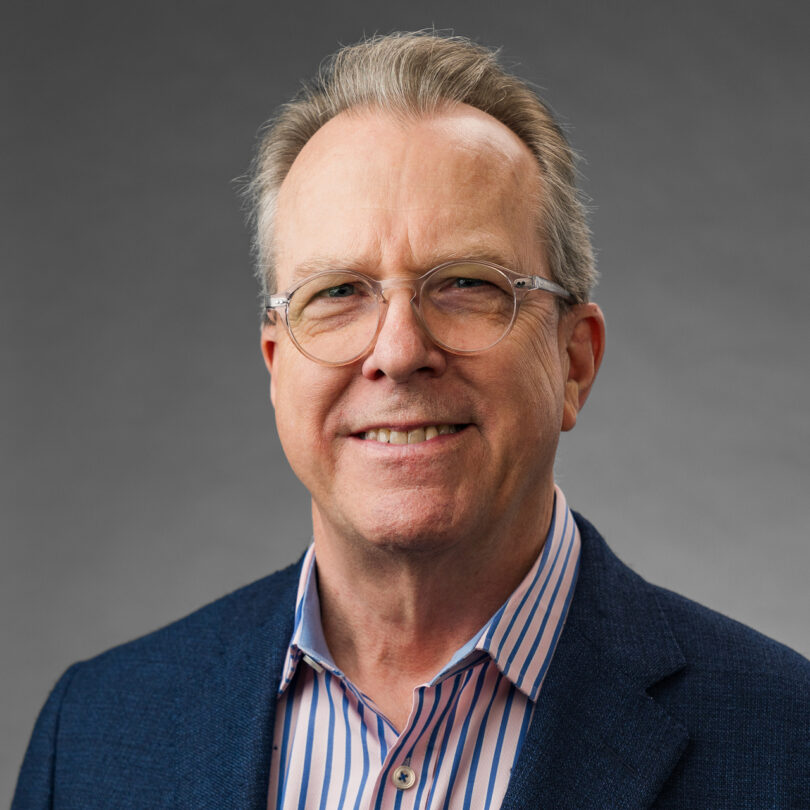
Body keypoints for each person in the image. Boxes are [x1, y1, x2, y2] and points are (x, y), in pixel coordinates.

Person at [13, 32, 810, 810]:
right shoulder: (93, 732)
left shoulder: (786, 740)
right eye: (336, 293)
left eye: (465, 283)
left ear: (574, 361)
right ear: (275, 365)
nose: (397, 352)